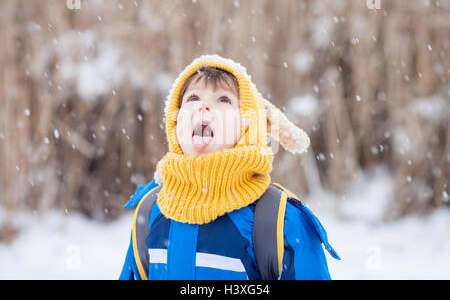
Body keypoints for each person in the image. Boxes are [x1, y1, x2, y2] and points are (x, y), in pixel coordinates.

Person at [119, 54, 339, 280]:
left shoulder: (279, 220)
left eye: (224, 100)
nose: (204, 106)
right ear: (175, 124)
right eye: (193, 97)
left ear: (246, 127)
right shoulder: (150, 211)